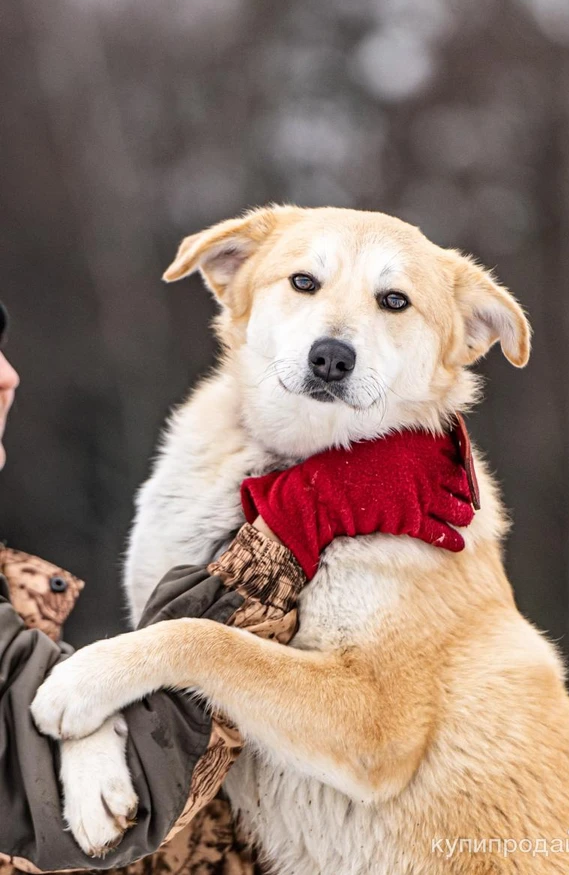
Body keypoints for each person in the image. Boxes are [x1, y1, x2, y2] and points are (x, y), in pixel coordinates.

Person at [0, 301, 476, 874]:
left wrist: (100, 709)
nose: (8, 375)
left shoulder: (22, 592)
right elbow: (86, 809)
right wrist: (294, 524)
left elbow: (92, 788)